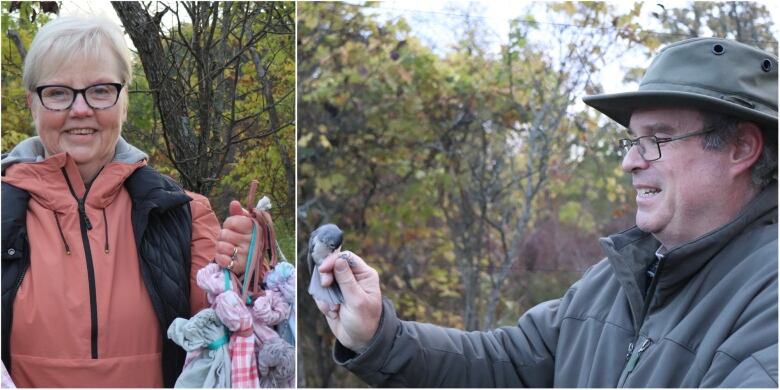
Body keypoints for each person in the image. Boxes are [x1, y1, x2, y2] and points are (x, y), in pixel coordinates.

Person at [313, 37, 778, 387]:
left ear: (741, 148)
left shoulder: (768, 297)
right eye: (631, 141)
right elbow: (509, 363)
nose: (630, 161)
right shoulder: (621, 279)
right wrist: (377, 334)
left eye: (655, 139)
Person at [0, 16, 252, 387]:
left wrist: (249, 275)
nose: (80, 109)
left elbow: (227, 342)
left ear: (124, 102)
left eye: (100, 90)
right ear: (32, 105)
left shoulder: (183, 215)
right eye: (57, 92)